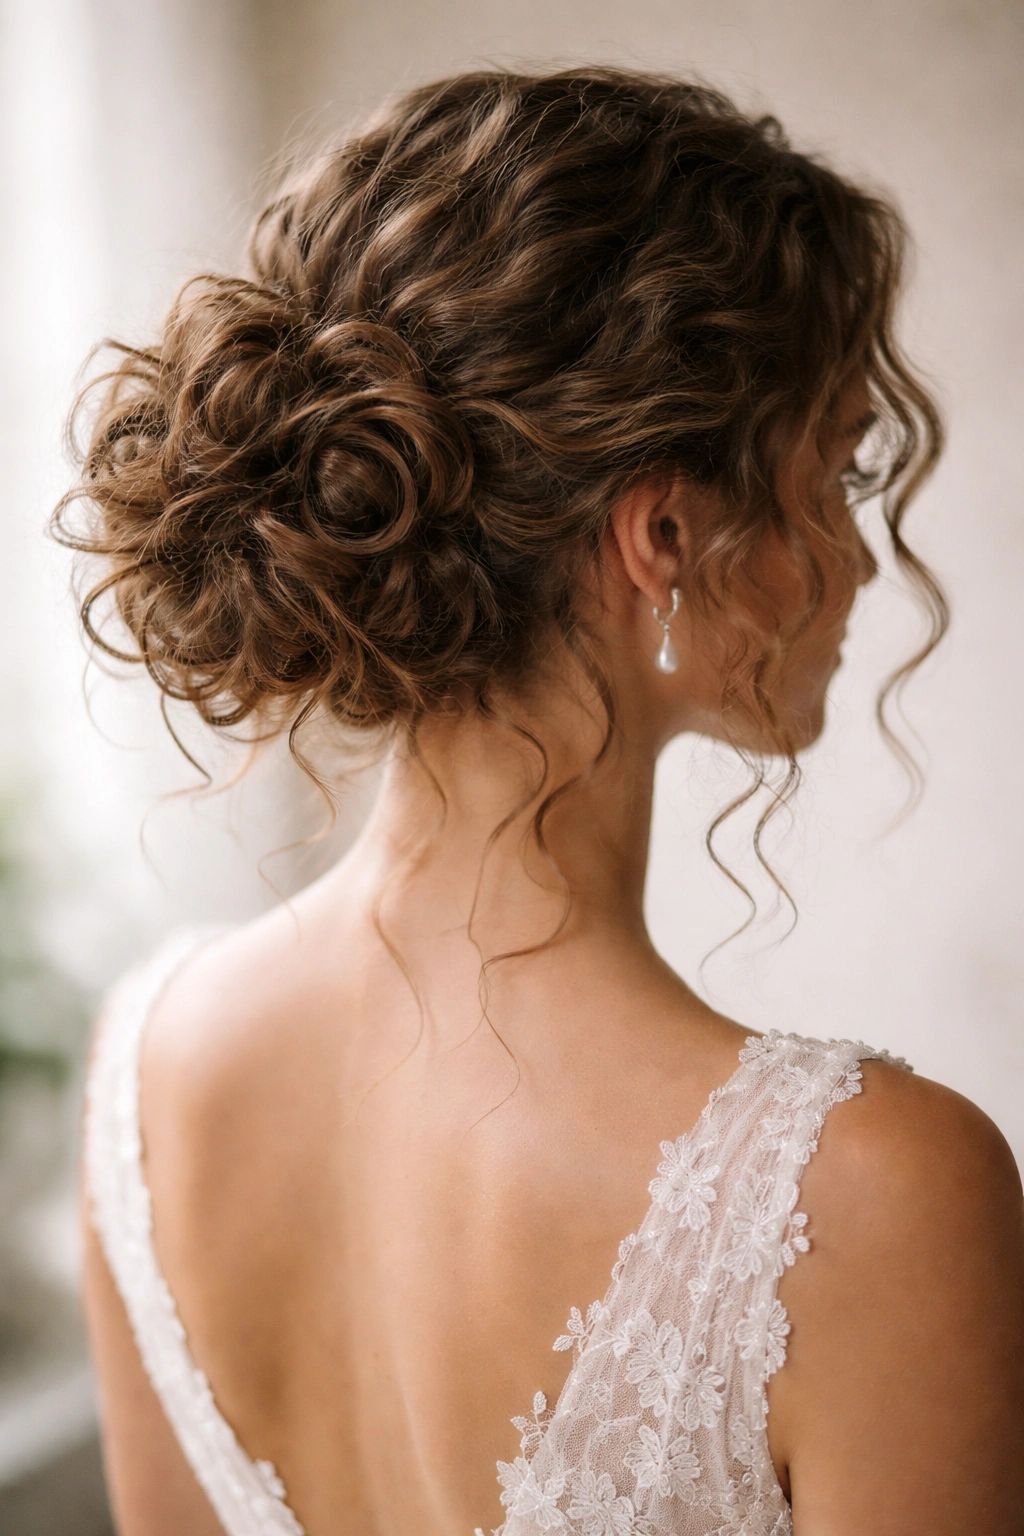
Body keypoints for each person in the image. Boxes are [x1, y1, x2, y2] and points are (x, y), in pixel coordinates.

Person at [64, 69, 1024, 1536]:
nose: (857, 557)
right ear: (664, 533)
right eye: (834, 472)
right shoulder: (876, 1195)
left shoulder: (147, 1074)